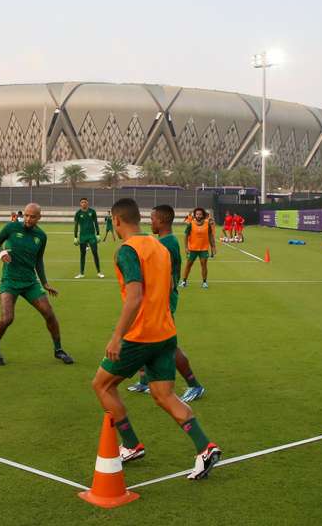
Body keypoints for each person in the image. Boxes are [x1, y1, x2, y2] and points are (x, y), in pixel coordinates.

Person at [90, 198, 221, 479]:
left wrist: (117, 337)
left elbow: (135, 296)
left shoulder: (127, 250)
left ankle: (131, 444)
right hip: (165, 333)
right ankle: (205, 447)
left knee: (102, 385)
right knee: (164, 395)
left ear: (116, 221)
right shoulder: (159, 246)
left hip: (140, 336)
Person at [128, 204, 206, 402]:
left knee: (169, 346)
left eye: (153, 219)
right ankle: (145, 381)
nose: (150, 221)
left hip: (163, 302)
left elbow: (169, 279)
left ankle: (194, 385)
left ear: (161, 221)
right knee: (143, 337)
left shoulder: (167, 244)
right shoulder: (163, 241)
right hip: (157, 300)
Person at [0, 203, 73, 366]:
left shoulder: (41, 236)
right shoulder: (11, 227)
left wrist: (45, 283)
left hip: (30, 282)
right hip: (10, 281)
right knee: (7, 319)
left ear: (39, 218)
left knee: (49, 314)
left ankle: (58, 350)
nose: (28, 219)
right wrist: (1, 252)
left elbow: (39, 260)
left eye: (32, 216)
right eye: (26, 215)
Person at [180, 207, 216, 289]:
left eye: (200, 214)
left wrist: (213, 247)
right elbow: (186, 236)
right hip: (192, 249)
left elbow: (210, 236)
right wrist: (186, 248)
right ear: (195, 215)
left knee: (204, 265)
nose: (198, 216)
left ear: (203, 215)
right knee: (188, 265)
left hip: (203, 249)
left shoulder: (207, 224)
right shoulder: (191, 224)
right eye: (197, 214)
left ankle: (204, 282)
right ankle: (184, 281)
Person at [74, 197, 103, 279]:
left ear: (87, 203)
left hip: (92, 236)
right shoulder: (78, 213)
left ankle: (99, 272)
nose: (84, 203)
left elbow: (96, 223)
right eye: (82, 202)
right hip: (82, 236)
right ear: (80, 204)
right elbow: (76, 225)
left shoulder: (92, 212)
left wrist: (98, 234)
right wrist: (75, 237)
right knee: (82, 254)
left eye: (85, 202)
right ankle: (81, 273)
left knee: (95, 253)